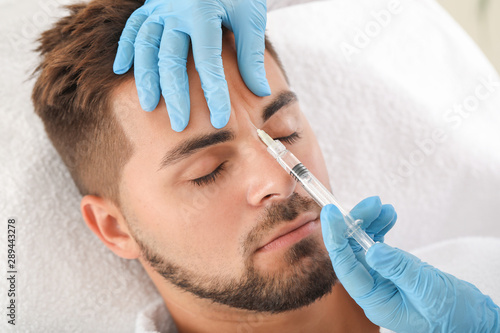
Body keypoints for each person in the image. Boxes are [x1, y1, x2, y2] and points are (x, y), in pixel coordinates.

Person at [31, 0, 499, 332]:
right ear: (114, 228)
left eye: (285, 133)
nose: (280, 179)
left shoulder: (480, 287)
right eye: (207, 170)